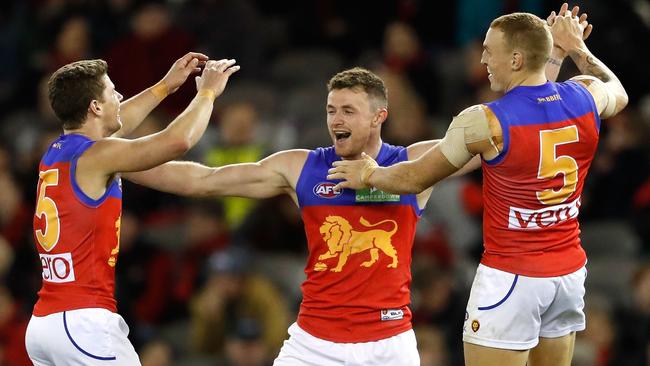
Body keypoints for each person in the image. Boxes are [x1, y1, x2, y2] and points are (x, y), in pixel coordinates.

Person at [327, 4, 628, 366]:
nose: (483, 58)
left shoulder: (485, 121)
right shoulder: (585, 95)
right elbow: (617, 91)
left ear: (516, 59)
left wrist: (368, 175)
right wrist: (573, 48)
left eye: (489, 50)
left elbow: (415, 177)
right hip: (566, 275)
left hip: (511, 277)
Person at [122, 67, 478, 365]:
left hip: (389, 345)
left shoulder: (413, 164)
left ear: (378, 117)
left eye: (348, 111)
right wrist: (115, 163)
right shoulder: (300, 167)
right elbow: (199, 180)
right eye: (331, 110)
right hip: (314, 343)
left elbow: (488, 145)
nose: (336, 120)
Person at [25, 53, 240, 365]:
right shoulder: (98, 154)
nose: (119, 96)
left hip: (46, 323)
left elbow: (114, 124)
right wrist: (207, 92)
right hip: (83, 323)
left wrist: (165, 86)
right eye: (112, 91)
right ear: (95, 107)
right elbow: (177, 141)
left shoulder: (58, 151)